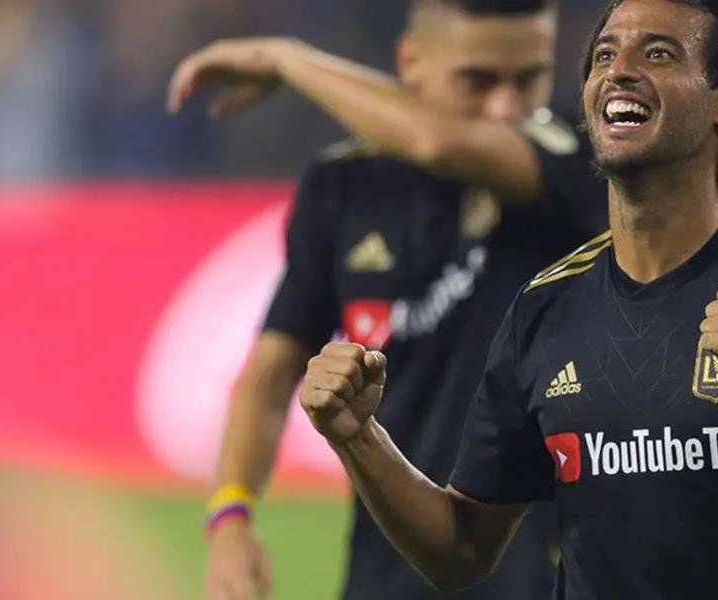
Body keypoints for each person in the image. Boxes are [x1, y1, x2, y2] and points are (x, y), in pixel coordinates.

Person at [299, 1, 718, 598]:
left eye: (659, 53)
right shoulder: (544, 309)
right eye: (605, 54)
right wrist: (359, 439)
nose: (620, 70)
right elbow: (460, 551)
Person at [169, 1, 605, 599]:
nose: (506, 106)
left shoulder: (582, 160)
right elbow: (271, 372)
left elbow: (440, 143)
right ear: (411, 62)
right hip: (385, 575)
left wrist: (288, 59)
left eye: (528, 77)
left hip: (541, 576)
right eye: (478, 81)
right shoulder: (345, 186)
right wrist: (230, 514)